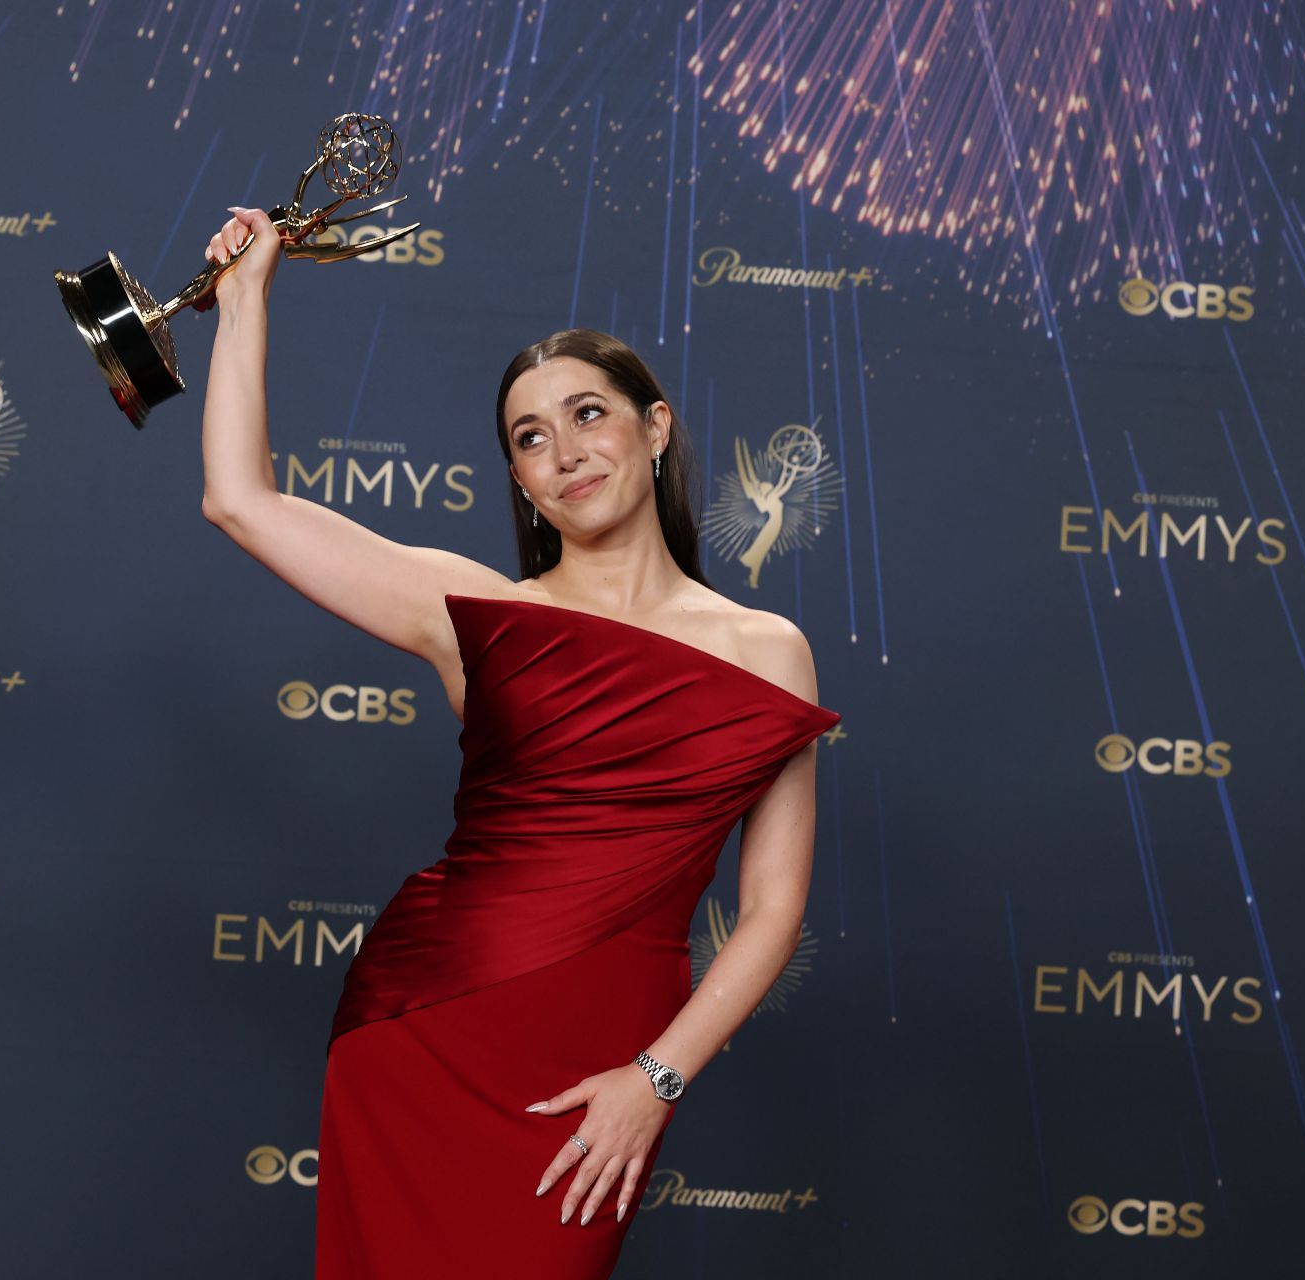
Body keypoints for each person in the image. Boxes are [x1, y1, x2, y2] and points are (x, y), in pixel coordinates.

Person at [198, 206, 841, 1279]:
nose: (564, 451)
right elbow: (240, 500)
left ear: (657, 425)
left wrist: (659, 1075)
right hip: (424, 1023)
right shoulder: (478, 609)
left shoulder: (766, 648)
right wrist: (246, 295)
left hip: (611, 1056)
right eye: (529, 438)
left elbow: (773, 909)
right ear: (518, 478)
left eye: (588, 413)